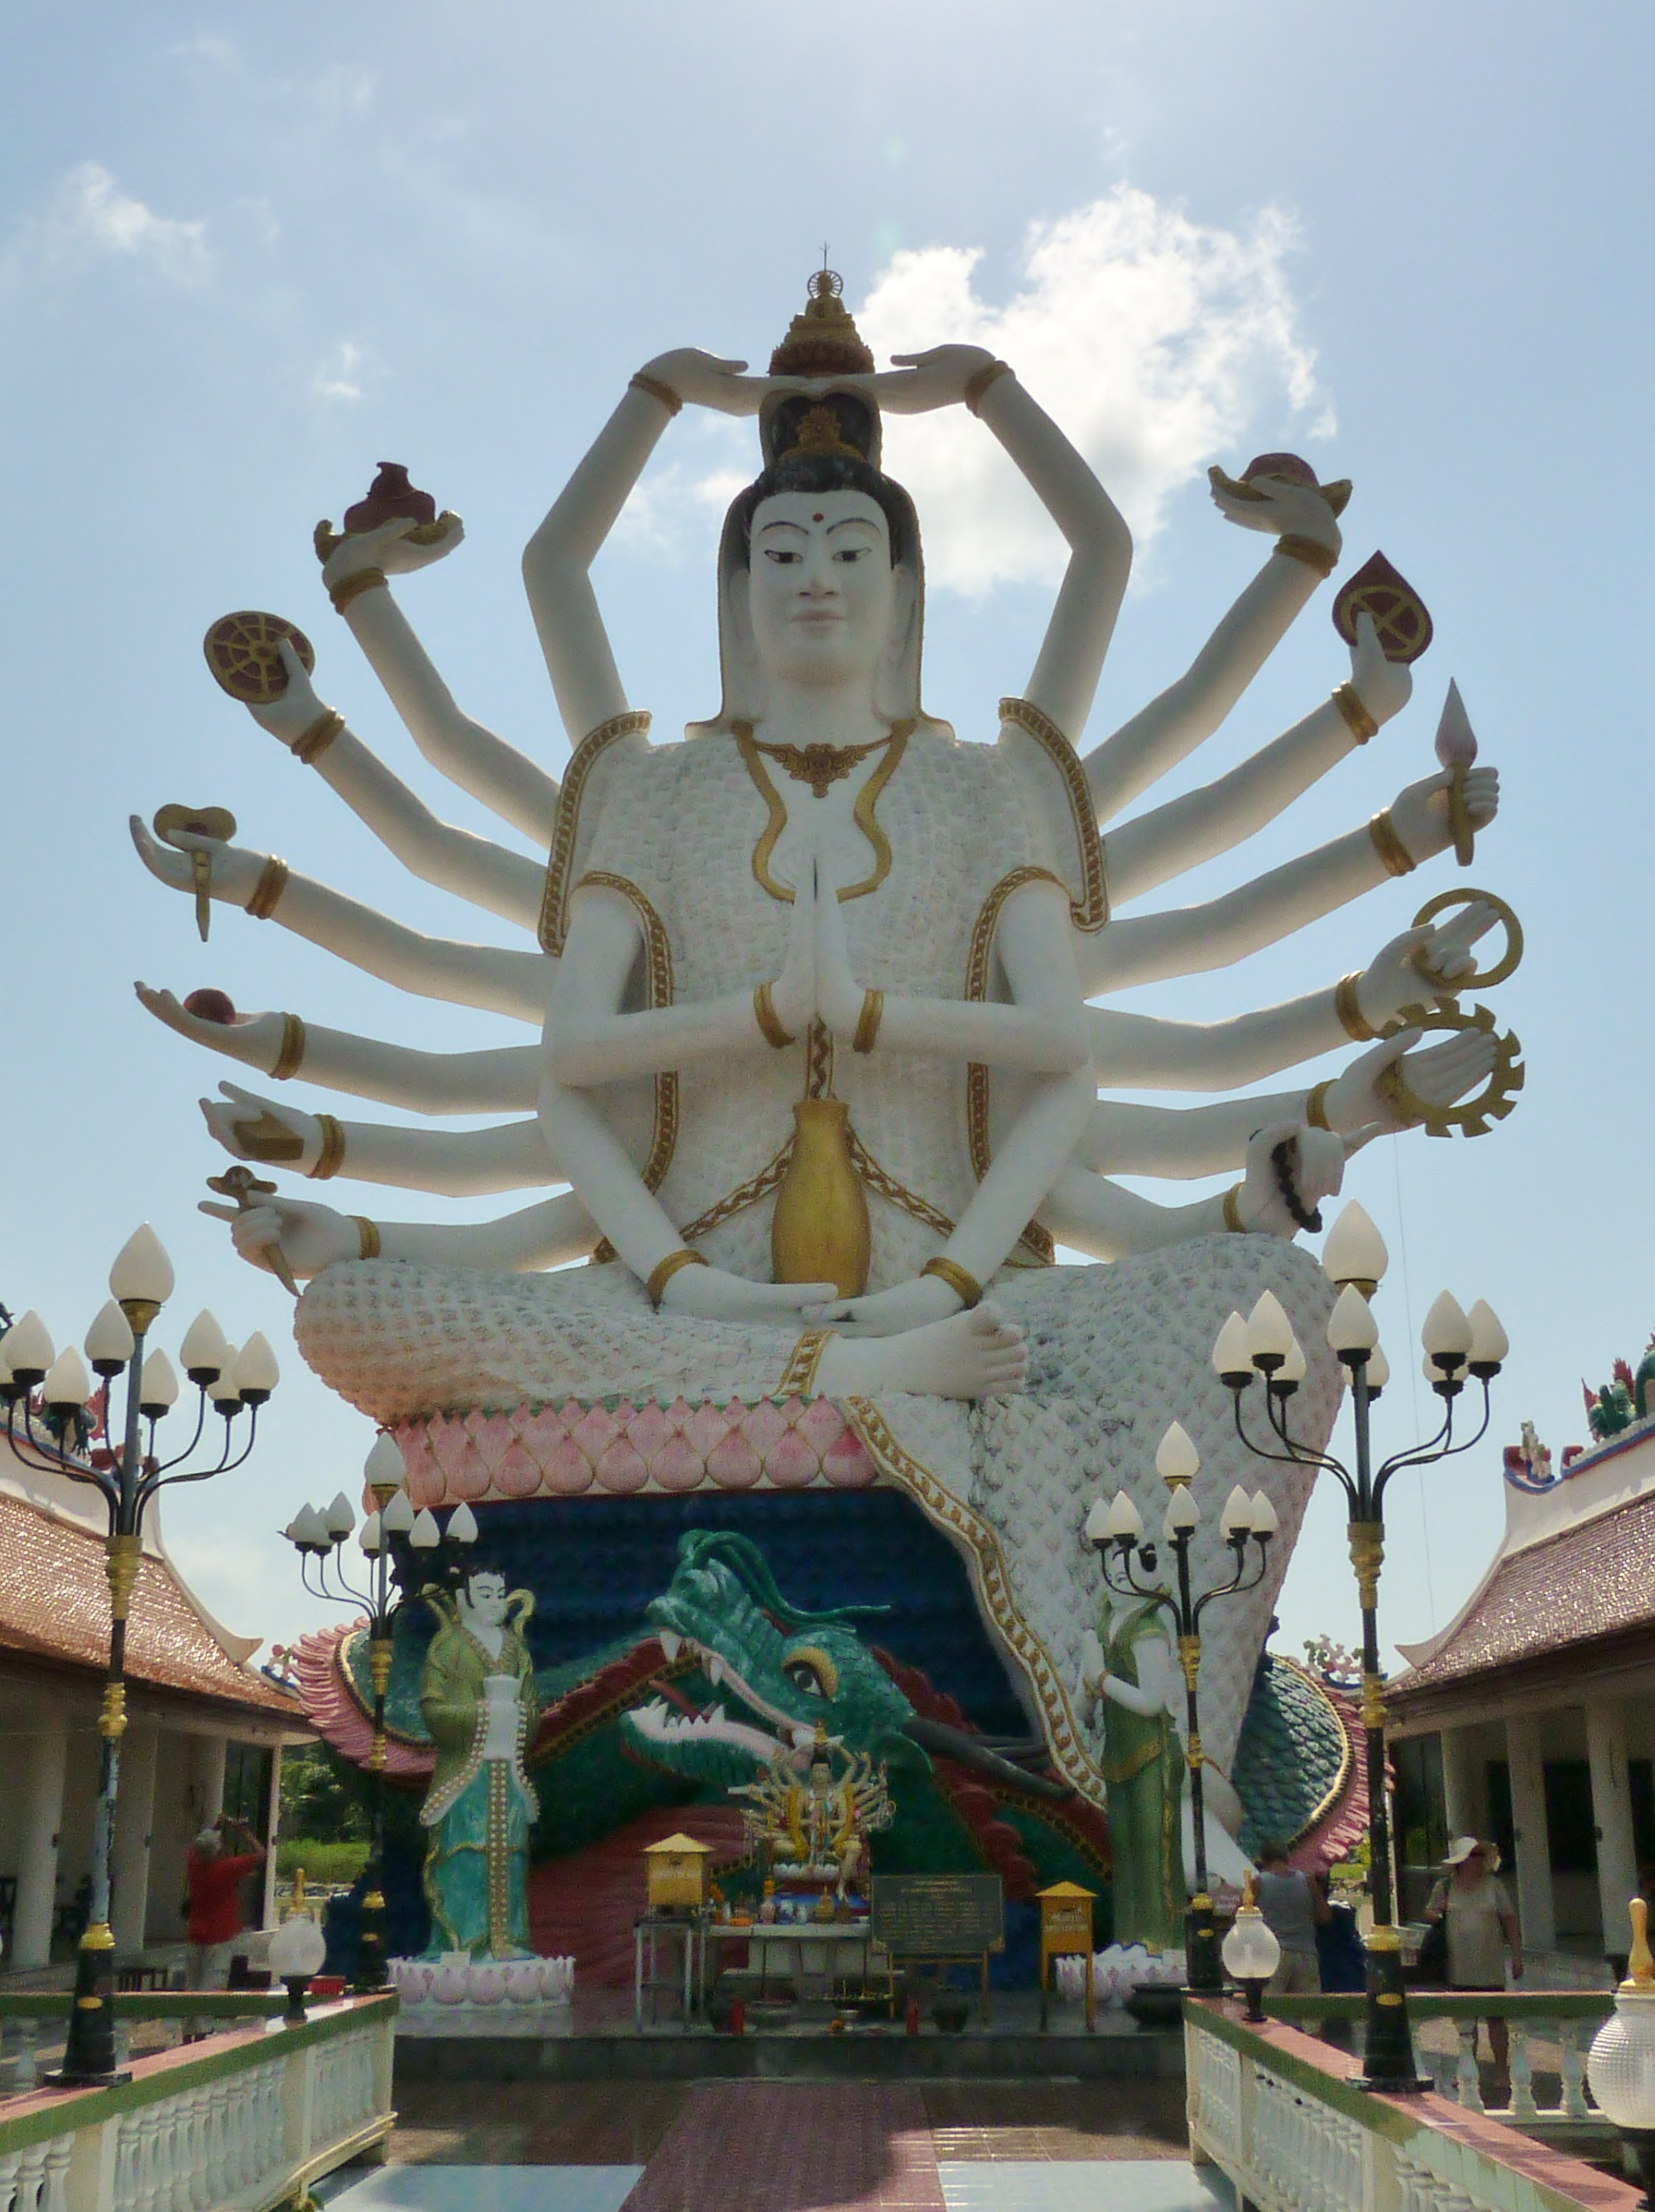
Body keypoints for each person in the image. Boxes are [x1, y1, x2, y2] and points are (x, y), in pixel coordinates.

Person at [132, 275, 1508, 1813]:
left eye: (853, 547)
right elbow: (567, 1077)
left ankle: (1108, 1698)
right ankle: (847, 1373)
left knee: (1273, 1296)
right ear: (730, 590)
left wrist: (926, 1231)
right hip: (677, 1306)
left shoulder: (991, 783)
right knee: (358, 1314)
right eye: (779, 549)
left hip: (973, 1296)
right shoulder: (648, 788)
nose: (816, 578)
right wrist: (704, 1223)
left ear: (909, 586)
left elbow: (1059, 1061)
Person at [418, 1567, 539, 1959]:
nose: (495, 1602)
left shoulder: (517, 1648)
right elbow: (434, 1712)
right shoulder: (449, 1645)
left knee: (511, 1860)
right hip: (466, 1775)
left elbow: (534, 1711)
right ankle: (461, 1945)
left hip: (510, 1774)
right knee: (466, 1859)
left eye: (500, 1593)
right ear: (462, 1600)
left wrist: (520, 1716)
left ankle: (509, 1943)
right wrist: (484, 1713)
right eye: (484, 1593)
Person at [1424, 1836, 1523, 2095]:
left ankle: (1502, 2071)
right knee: (1466, 2022)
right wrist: (1438, 1912)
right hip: (1459, 1963)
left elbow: (1509, 1919)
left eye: (1481, 1856)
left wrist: (1516, 1954)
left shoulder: (1494, 1886)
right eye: (1474, 1856)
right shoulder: (1445, 1887)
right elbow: (1428, 1913)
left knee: (1496, 2021)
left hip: (1489, 1964)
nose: (1478, 1861)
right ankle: (1469, 2068)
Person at [185, 1816, 266, 1989]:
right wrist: (243, 1831)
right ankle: (203, 2017)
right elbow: (260, 1854)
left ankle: (188, 2016)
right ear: (218, 1850)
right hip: (219, 1937)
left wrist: (217, 1827)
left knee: (192, 1986)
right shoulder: (226, 1869)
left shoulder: (194, 1865)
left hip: (196, 1934)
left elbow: (200, 1845)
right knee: (211, 1987)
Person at [1254, 1840, 1330, 1996]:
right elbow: (1325, 1917)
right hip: (1306, 1954)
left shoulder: (1258, 1883)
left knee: (1271, 2012)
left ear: (1263, 1860)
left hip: (1272, 1956)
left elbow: (1239, 1918)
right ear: (1287, 1857)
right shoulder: (1307, 1881)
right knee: (1309, 2013)